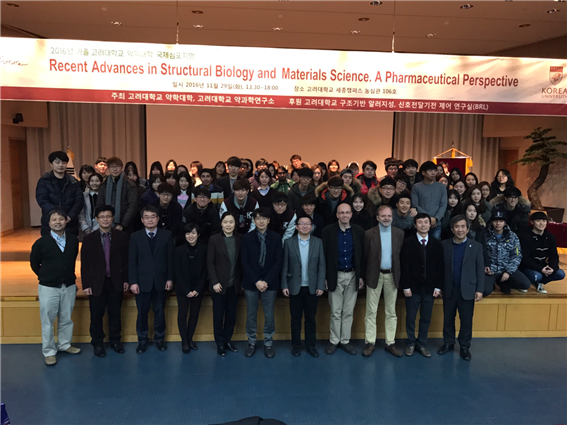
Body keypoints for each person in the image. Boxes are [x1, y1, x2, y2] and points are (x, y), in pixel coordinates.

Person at [30, 208, 81, 366]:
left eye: (61, 219)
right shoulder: (41, 243)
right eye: (54, 219)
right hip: (48, 287)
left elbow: (71, 260)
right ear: (48, 222)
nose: (58, 222)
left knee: (66, 318)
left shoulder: (73, 240)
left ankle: (64, 344)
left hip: (69, 285)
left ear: (66, 221)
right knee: (48, 320)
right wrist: (47, 276)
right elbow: (34, 264)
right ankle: (49, 351)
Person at [81, 205, 129, 357]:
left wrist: (126, 279)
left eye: (108, 216)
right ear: (96, 219)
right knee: (96, 315)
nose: (105, 219)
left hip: (116, 281)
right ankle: (97, 343)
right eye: (102, 217)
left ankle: (115, 341)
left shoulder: (122, 236)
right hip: (96, 283)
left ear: (113, 218)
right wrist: (86, 284)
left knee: (115, 313)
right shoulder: (89, 239)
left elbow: (126, 260)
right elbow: (85, 264)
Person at [129, 205, 175, 353]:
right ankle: (142, 340)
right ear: (142, 220)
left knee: (159, 312)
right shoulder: (135, 237)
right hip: (142, 282)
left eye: (153, 217)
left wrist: (170, 278)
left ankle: (159, 339)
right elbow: (132, 261)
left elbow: (170, 259)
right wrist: (133, 282)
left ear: (158, 218)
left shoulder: (167, 235)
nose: (150, 220)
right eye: (147, 217)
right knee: (142, 313)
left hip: (161, 281)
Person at [438, 215, 484, 361]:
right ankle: (448, 343)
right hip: (449, 289)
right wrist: (439, 286)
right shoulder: (444, 245)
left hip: (468, 290)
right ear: (452, 229)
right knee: (448, 319)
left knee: (466, 321)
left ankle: (464, 347)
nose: (460, 230)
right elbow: (439, 268)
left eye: (463, 226)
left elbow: (480, 269)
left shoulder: (476, 246)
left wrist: (479, 289)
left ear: (468, 229)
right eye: (457, 227)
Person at [322, 203, 365, 355]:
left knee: (348, 311)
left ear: (351, 214)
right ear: (337, 215)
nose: (345, 215)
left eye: (347, 212)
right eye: (342, 213)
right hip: (335, 275)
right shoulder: (327, 231)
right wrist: (325, 277)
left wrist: (361, 276)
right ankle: (334, 340)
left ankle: (345, 340)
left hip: (353, 275)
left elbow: (362, 255)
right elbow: (324, 256)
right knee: (335, 311)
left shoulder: (359, 231)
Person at [362, 205, 404, 358]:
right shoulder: (368, 234)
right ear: (378, 218)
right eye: (383, 216)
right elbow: (365, 256)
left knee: (391, 312)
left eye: (389, 216)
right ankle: (370, 342)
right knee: (371, 311)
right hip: (374, 275)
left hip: (392, 276)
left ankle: (390, 342)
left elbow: (400, 256)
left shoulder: (399, 234)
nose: (387, 218)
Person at [281, 215, 326, 357]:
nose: (305, 226)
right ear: (296, 227)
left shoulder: (318, 242)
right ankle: (296, 345)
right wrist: (284, 285)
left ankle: (310, 345)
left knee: (310, 319)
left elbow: (321, 266)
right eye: (302, 223)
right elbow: (285, 265)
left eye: (308, 224)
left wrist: (320, 285)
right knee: (295, 319)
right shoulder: (289, 242)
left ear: (312, 227)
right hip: (294, 287)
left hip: (312, 287)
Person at [241, 208, 283, 358]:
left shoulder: (276, 237)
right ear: (254, 220)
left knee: (269, 314)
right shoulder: (247, 238)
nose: (261, 221)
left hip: (269, 283)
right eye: (258, 218)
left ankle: (268, 342)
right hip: (251, 282)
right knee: (251, 313)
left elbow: (278, 262)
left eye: (264, 218)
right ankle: (251, 342)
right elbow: (244, 262)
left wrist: (266, 281)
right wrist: (256, 281)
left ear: (268, 220)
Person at [401, 213, 444, 358]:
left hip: (430, 288)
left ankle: (422, 344)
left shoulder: (437, 244)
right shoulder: (407, 242)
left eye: (426, 222)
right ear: (415, 225)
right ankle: (410, 343)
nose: (423, 225)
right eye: (420, 222)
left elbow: (440, 267)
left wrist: (438, 286)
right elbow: (404, 266)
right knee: (411, 317)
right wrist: (406, 286)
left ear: (430, 225)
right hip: (413, 288)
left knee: (426, 318)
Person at [207, 212, 243, 356]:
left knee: (231, 316)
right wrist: (215, 282)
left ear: (235, 224)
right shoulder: (214, 239)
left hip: (234, 285)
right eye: (226, 222)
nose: (228, 225)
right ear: (221, 224)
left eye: (231, 222)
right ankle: (220, 343)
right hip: (218, 286)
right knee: (218, 316)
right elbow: (210, 262)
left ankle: (228, 340)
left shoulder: (240, 238)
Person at [174, 223, 207, 354]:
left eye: (193, 233)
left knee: (194, 314)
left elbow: (205, 271)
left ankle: (190, 338)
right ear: (185, 235)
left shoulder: (204, 250)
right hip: (183, 289)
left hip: (198, 288)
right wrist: (186, 290)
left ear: (198, 235)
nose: (191, 236)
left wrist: (197, 289)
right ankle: (184, 341)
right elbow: (177, 272)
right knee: (182, 314)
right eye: (188, 233)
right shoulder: (178, 250)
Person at [36, 150, 84, 236]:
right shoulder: (44, 181)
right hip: (51, 221)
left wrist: (70, 216)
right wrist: (57, 216)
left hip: (70, 222)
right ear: (51, 164)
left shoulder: (73, 182)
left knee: (70, 244)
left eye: (63, 162)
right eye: (57, 162)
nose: (61, 165)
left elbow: (79, 201)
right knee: (50, 244)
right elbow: (42, 200)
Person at [483, 209, 531, 295]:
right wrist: (484, 266)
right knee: (485, 291)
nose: (498, 223)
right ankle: (493, 283)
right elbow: (480, 253)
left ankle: (504, 283)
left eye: (501, 221)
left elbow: (517, 255)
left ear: (505, 223)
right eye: (495, 221)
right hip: (490, 270)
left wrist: (508, 271)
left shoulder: (512, 236)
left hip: (506, 268)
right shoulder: (485, 235)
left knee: (525, 284)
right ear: (491, 222)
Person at [519, 212, 565, 294]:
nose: (541, 223)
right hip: (527, 267)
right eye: (538, 221)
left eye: (544, 221)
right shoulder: (524, 236)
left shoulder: (550, 237)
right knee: (536, 276)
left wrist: (552, 267)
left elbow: (554, 256)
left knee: (560, 274)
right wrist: (540, 269)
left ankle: (539, 282)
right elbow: (525, 258)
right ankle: (524, 282)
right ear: (532, 222)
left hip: (542, 265)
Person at [96, 157, 139, 234]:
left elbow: (132, 206)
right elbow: (100, 205)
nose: (115, 169)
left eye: (117, 166)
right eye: (112, 167)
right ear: (108, 168)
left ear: (121, 167)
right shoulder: (104, 185)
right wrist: (104, 221)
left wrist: (122, 224)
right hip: (106, 225)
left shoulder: (130, 184)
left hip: (126, 226)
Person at [411, 161, 447, 240]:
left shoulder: (441, 187)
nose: (433, 173)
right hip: (421, 223)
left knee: (435, 245)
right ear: (423, 172)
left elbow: (443, 204)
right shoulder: (416, 187)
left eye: (435, 170)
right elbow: (415, 204)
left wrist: (436, 218)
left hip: (436, 223)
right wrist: (428, 219)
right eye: (430, 171)